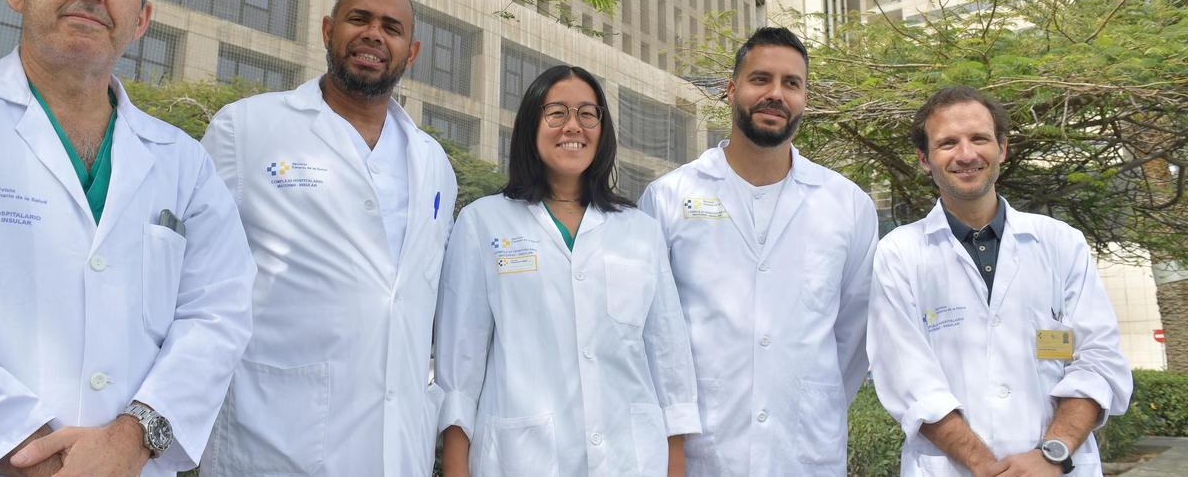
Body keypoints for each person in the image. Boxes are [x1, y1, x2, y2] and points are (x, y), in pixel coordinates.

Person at [0, 0, 256, 475]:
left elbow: (219, 315)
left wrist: (133, 436)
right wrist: (35, 455)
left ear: (140, 19)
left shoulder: (184, 164)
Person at [199, 0, 458, 477]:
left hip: (396, 446)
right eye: (358, 19)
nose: (373, 35)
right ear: (327, 29)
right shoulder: (245, 130)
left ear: (412, 51)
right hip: (271, 443)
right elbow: (194, 286)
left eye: (391, 27)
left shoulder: (436, 165)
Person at [434, 65, 699, 476]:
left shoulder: (640, 231)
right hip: (523, 458)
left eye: (587, 114)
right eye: (556, 112)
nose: (572, 126)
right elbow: (459, 367)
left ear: (602, 128)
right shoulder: (483, 223)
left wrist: (675, 466)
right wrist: (455, 467)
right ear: (530, 126)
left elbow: (669, 359)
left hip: (630, 458)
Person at [638, 26, 878, 476]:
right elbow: (653, 331)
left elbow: (854, 332)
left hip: (806, 448)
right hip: (703, 449)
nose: (776, 94)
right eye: (760, 79)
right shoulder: (668, 198)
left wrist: (809, 395)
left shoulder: (847, 205)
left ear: (805, 97)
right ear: (731, 90)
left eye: (792, 83)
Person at [868, 86, 1133, 476]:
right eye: (947, 143)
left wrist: (1051, 455)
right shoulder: (900, 254)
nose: (966, 154)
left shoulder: (1061, 243)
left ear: (1002, 148)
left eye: (979, 138)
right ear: (925, 159)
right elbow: (908, 380)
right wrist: (986, 467)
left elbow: (1099, 360)